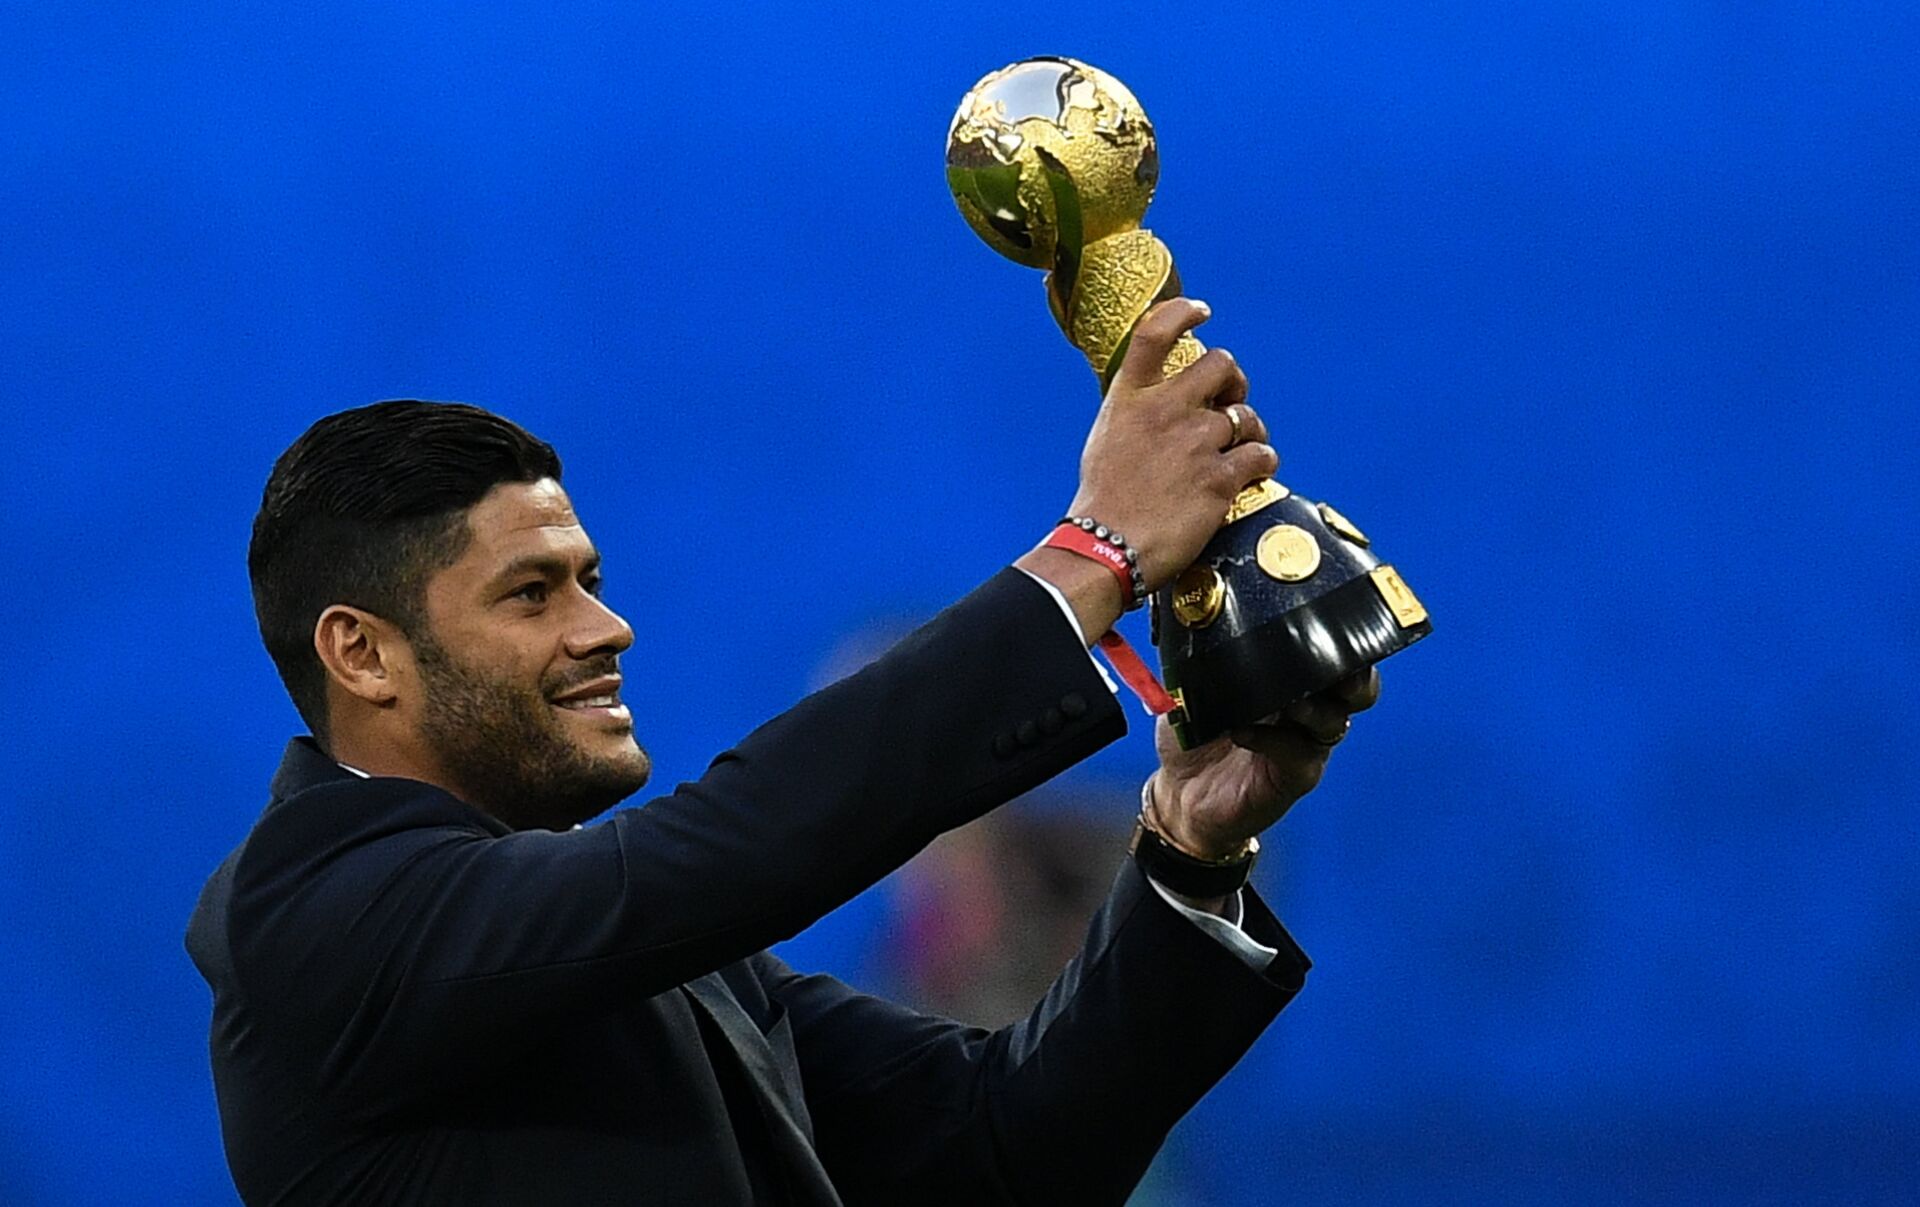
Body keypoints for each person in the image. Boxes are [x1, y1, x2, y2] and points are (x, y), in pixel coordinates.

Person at [187, 299, 1381, 1206]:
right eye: (532, 593)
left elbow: (1002, 1146)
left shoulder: (670, 959)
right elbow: (726, 846)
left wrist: (1189, 852)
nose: (607, 627)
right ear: (363, 654)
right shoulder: (311, 911)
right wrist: (1092, 557)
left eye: (591, 580)